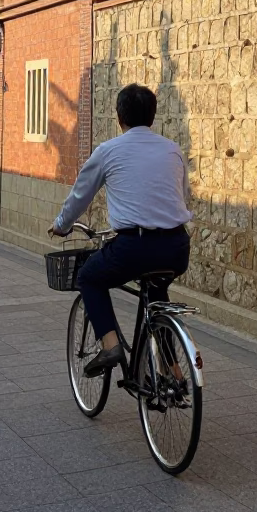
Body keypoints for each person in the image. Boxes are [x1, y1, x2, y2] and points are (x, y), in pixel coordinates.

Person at [49, 83, 192, 377]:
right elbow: (182, 196)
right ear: (152, 116)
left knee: (89, 277)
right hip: (177, 246)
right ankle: (174, 372)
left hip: (134, 248)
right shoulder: (173, 150)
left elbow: (80, 195)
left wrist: (62, 225)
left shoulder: (108, 151)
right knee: (157, 295)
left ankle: (110, 344)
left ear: (119, 117)